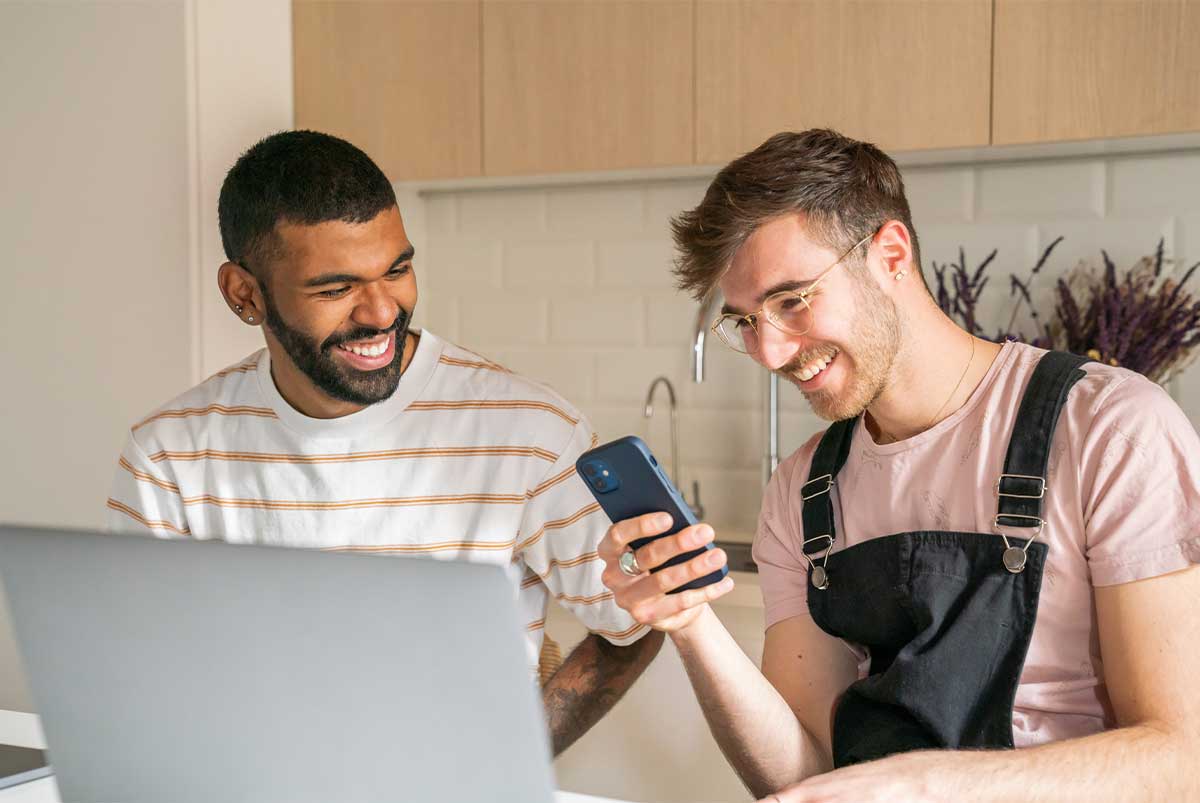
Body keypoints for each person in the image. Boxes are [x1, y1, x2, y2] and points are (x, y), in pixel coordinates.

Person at [597, 129, 1200, 800]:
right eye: (744, 321)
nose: (769, 352)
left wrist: (930, 785)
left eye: (792, 301)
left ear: (890, 254)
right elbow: (800, 773)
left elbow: (1183, 757)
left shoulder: (1107, 429)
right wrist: (688, 623)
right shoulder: (803, 491)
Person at [106, 130, 662, 755]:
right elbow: (154, 672)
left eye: (397, 270)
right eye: (335, 288)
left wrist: (510, 763)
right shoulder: (170, 456)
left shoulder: (528, 431)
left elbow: (635, 627)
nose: (379, 313)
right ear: (245, 294)